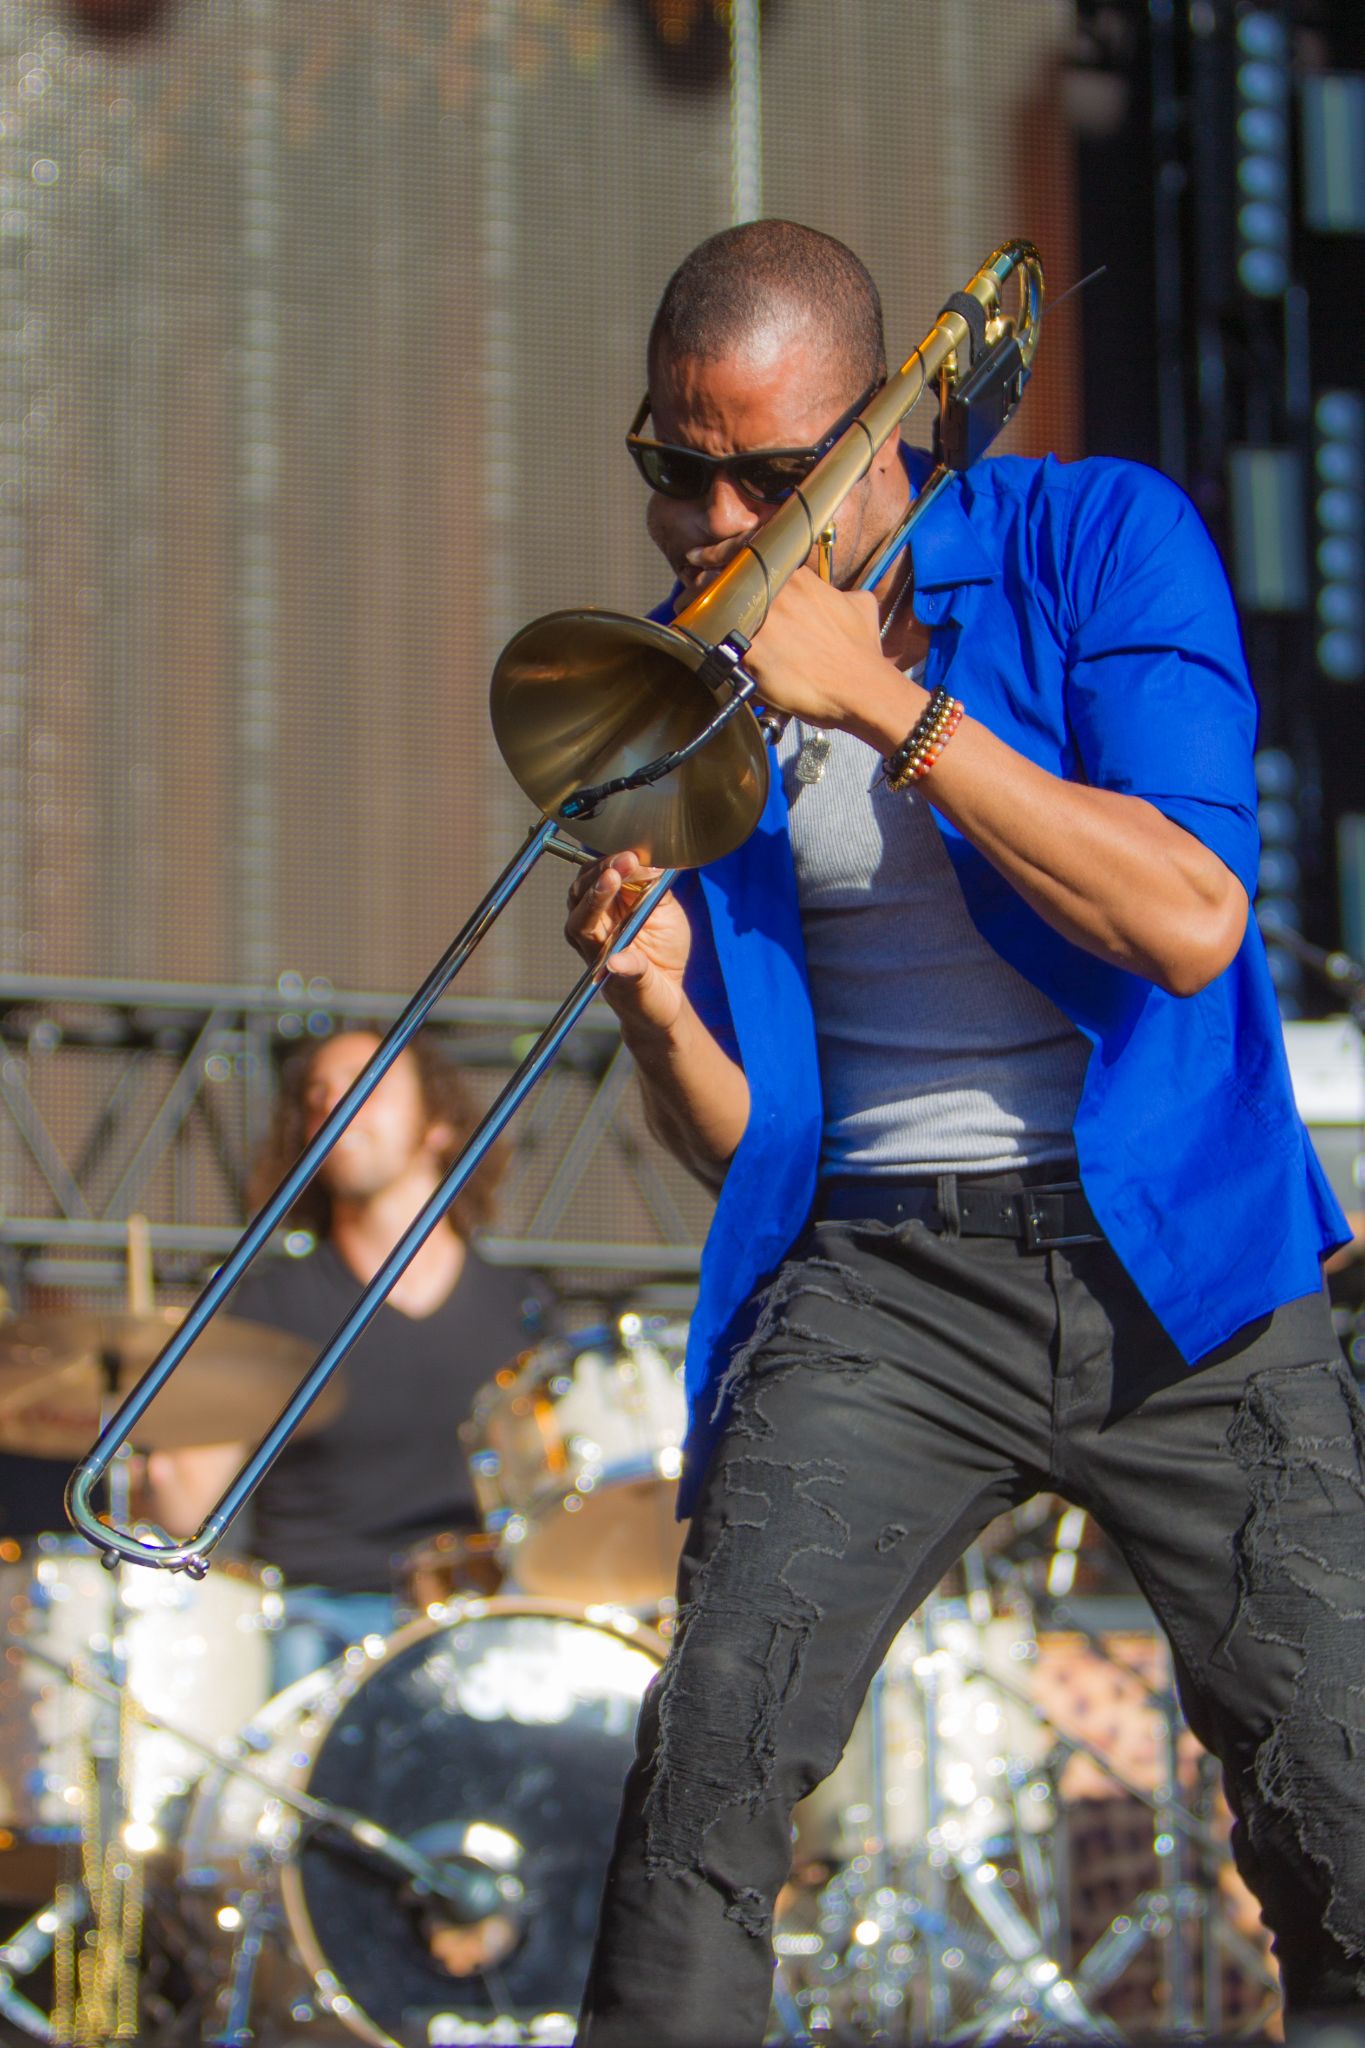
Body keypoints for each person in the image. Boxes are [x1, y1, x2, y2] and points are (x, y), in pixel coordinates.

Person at [563, 220, 1361, 2046]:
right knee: (702, 1784)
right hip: (885, 1280)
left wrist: (891, 705)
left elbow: (1187, 917)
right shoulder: (708, 691)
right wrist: (656, 1004)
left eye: (768, 472)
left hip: (1182, 1266)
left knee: (1342, 1813)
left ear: (887, 430)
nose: (714, 516)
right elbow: (746, 1142)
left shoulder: (1100, 538)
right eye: (672, 469)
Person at [148, 1028, 546, 1689]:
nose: (336, 1101)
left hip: (478, 1633)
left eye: (367, 1084)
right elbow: (186, 1506)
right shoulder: (269, 1306)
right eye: (317, 1095)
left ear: (439, 1126)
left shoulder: (522, 1308)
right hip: (314, 1631)